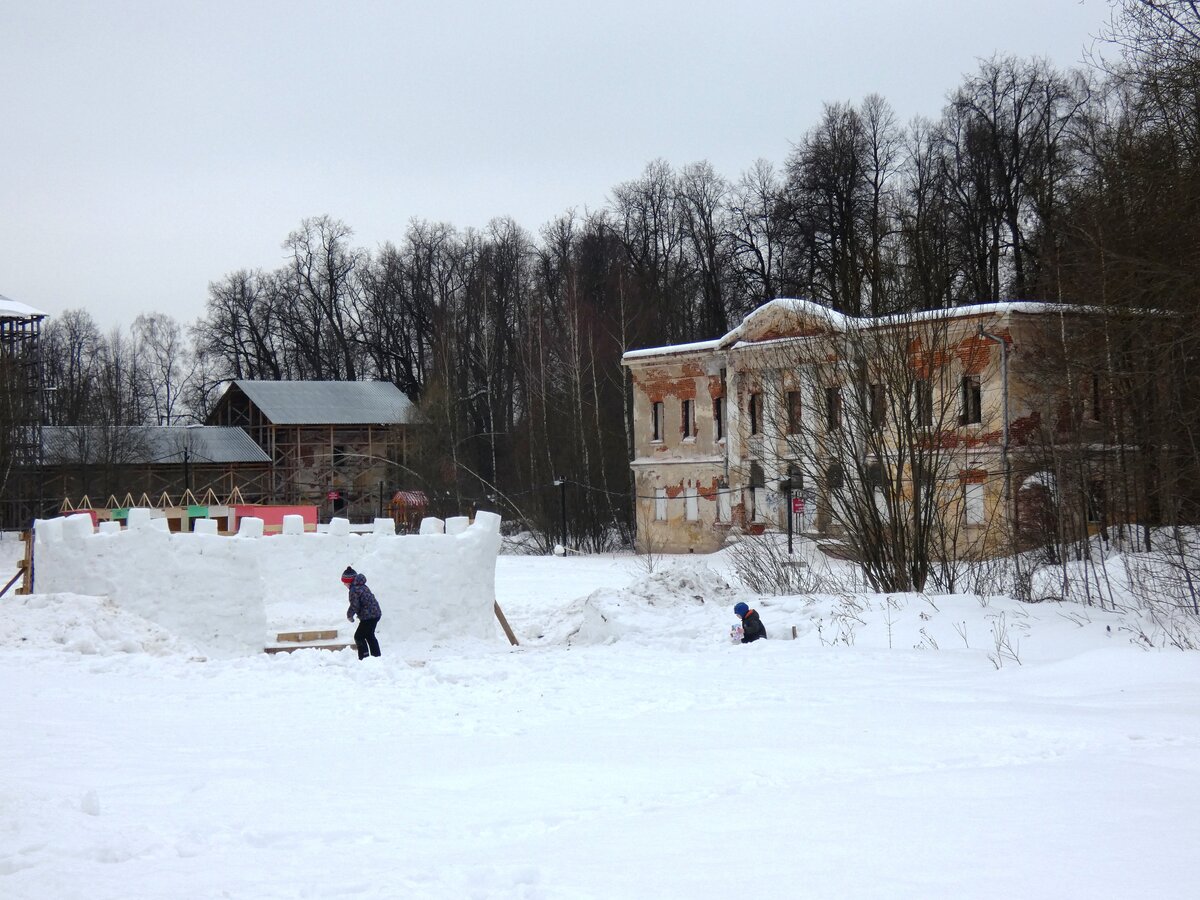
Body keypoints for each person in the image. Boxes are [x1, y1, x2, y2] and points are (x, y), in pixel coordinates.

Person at [342, 566, 382, 659]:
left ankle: (364, 658)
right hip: (375, 614)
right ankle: (376, 657)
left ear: (349, 581)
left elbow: (355, 605)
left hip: (368, 617)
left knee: (358, 637)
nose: (344, 584)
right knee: (369, 635)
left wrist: (349, 616)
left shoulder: (354, 589)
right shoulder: (362, 586)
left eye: (345, 582)